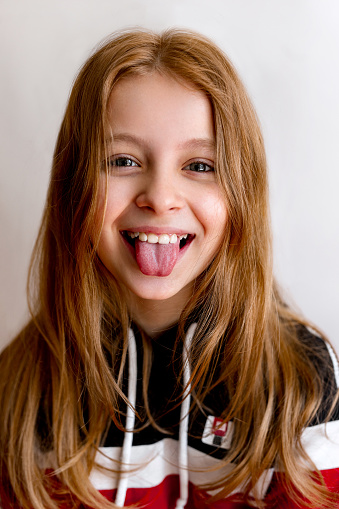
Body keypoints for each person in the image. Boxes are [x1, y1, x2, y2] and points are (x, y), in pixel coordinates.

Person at [0, 28, 338, 509]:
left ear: (241, 194)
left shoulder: (301, 379)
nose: (159, 197)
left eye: (199, 165)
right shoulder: (20, 393)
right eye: (122, 160)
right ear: (74, 185)